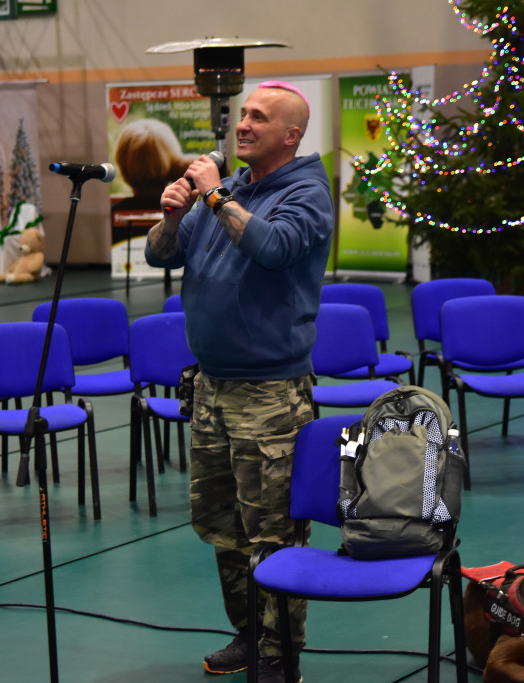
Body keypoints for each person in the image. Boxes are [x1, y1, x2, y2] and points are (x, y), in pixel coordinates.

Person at [145, 81, 333, 683]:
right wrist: (173, 215)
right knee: (224, 526)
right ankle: (250, 636)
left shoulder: (306, 192)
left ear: (291, 135)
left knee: (273, 534)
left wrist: (216, 193)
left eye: (259, 118)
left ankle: (281, 655)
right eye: (243, 114)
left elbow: (273, 248)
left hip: (270, 395)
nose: (244, 125)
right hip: (212, 387)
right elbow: (159, 255)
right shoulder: (230, 191)